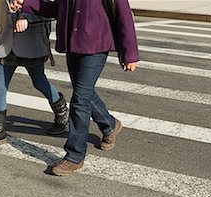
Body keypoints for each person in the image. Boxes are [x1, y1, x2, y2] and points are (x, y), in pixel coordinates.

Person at [11, 0, 139, 176]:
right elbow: (58, 8)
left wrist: (130, 53)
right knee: (83, 92)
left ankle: (75, 155)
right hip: (73, 44)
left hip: (96, 46)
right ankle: (109, 125)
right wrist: (28, 4)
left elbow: (123, 15)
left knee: (79, 99)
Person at [0, 0, 69, 149]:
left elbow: (48, 11)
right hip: (6, 45)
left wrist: (28, 18)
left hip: (31, 43)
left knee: (39, 82)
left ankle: (62, 111)